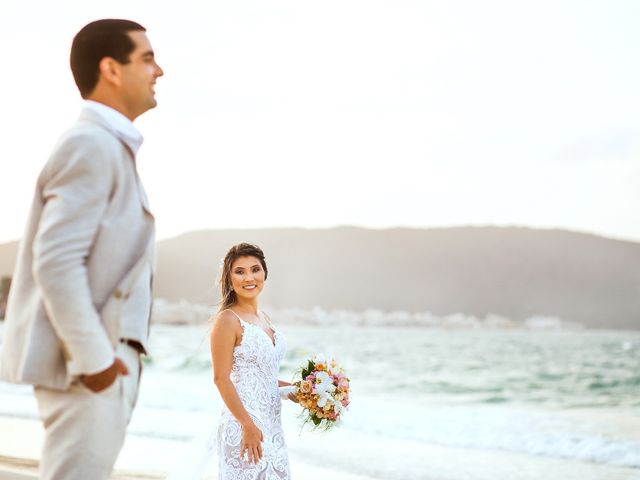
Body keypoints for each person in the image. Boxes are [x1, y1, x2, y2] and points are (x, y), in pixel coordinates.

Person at [0, 19, 163, 480]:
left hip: (100, 367)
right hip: (86, 369)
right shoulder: (89, 144)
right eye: (147, 58)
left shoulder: (109, 145)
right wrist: (96, 361)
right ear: (111, 69)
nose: (159, 70)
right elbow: (55, 261)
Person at [210, 243, 297, 479]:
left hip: (272, 427)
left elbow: (263, 376)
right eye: (240, 271)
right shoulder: (228, 319)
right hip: (244, 426)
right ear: (229, 278)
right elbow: (221, 379)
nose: (249, 277)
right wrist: (247, 425)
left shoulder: (264, 318)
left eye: (255, 269)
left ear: (264, 273)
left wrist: (299, 391)